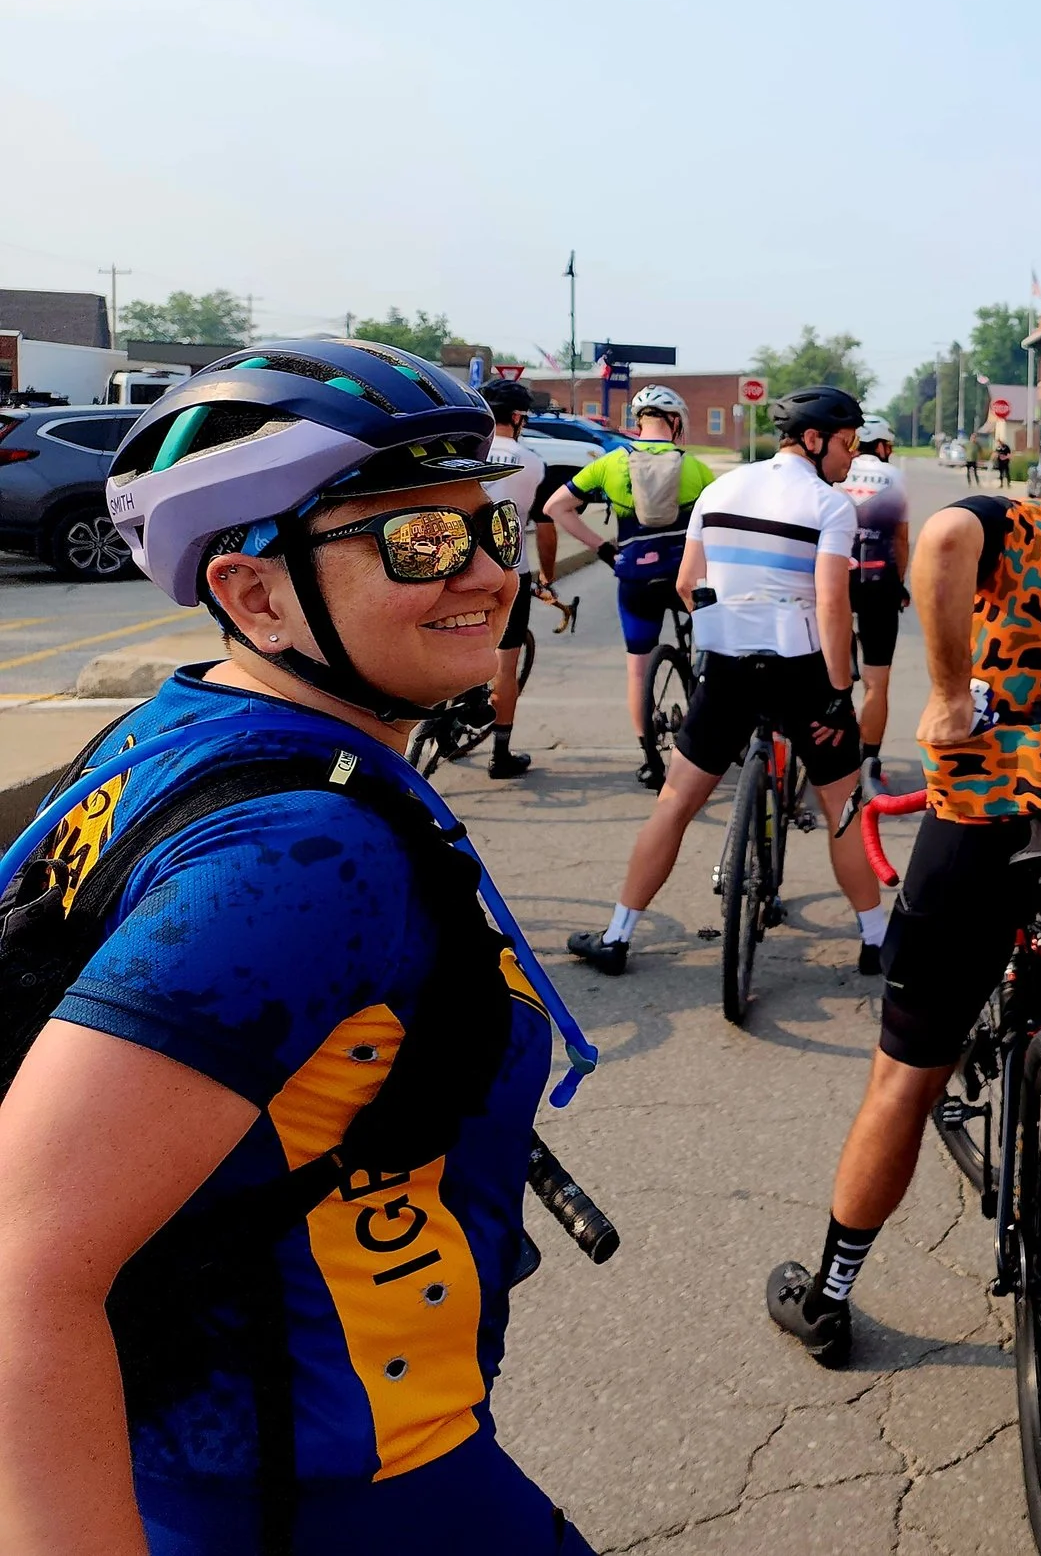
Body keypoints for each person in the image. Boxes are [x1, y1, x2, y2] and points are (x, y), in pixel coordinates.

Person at [0, 339, 595, 1552]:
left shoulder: (183, 729)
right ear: (255, 595)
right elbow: (23, 1265)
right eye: (419, 540)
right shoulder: (306, 854)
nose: (491, 574)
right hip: (333, 1493)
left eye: (491, 526)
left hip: (228, 1448)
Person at [764, 401, 1041, 1380]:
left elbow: (941, 537)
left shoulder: (1016, 522)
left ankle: (830, 1297)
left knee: (904, 1077)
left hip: (977, 827)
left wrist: (947, 692)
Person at [569, 386, 883, 978]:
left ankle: (617, 935)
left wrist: (730, 623)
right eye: (846, 444)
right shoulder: (830, 505)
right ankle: (875, 938)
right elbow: (832, 603)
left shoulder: (721, 488)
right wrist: (839, 690)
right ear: (814, 440)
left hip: (729, 667)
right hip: (802, 671)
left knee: (674, 803)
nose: (852, 457)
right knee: (842, 807)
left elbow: (688, 583)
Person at [544, 384, 719, 788]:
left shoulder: (611, 462)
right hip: (684, 578)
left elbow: (556, 507)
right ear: (674, 421)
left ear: (638, 422)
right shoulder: (695, 467)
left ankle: (649, 760)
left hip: (636, 576)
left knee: (638, 668)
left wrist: (604, 549)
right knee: (712, 652)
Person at [839, 413, 911, 795]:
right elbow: (901, 539)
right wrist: (899, 584)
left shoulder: (836, 471)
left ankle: (832, 755)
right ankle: (869, 765)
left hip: (836, 579)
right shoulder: (894, 477)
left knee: (829, 673)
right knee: (876, 682)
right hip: (878, 582)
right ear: (882, 446)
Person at [481, 377, 546, 779]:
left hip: (456, 568)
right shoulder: (532, 461)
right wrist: (548, 577)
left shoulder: (463, 451)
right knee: (506, 665)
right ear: (518, 417)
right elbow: (546, 523)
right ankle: (500, 753)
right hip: (508, 572)